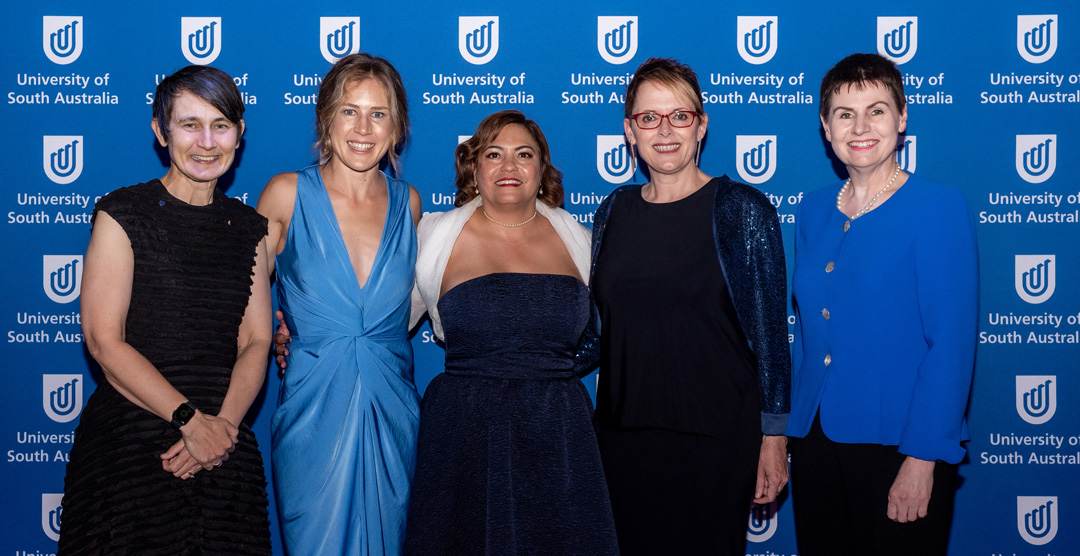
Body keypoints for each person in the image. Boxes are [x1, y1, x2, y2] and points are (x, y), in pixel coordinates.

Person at [59, 65, 272, 555]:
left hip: (225, 453)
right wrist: (190, 423)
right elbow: (103, 340)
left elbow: (256, 340)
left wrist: (221, 432)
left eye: (220, 125)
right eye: (189, 124)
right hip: (133, 449)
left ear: (239, 133)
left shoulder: (251, 228)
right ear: (161, 131)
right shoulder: (123, 214)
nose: (207, 142)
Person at [589, 57, 791, 555]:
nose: (665, 130)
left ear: (701, 125)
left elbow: (770, 336)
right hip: (622, 439)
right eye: (649, 117)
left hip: (716, 443)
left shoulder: (741, 209)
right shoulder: (613, 210)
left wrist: (773, 439)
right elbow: (596, 331)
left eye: (679, 116)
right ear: (629, 131)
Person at [785, 53, 977, 556]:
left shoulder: (938, 206)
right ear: (826, 126)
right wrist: (785, 432)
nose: (860, 127)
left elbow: (951, 344)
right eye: (845, 114)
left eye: (876, 110)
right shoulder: (813, 209)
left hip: (899, 445)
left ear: (902, 117)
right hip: (815, 440)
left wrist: (923, 458)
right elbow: (807, 332)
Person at [403, 110, 619, 555]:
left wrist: (545, 373)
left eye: (523, 154)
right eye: (493, 154)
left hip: (558, 432)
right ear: (474, 169)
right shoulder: (433, 237)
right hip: (464, 433)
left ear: (542, 169)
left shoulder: (581, 240)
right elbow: (382, 324)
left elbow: (612, 329)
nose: (509, 166)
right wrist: (306, 334)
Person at [256, 53, 422, 555]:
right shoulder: (285, 194)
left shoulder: (410, 203)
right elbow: (238, 306)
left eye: (378, 113)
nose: (363, 128)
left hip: (393, 408)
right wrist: (280, 331)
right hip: (312, 410)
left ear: (397, 127)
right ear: (326, 117)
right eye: (350, 111)